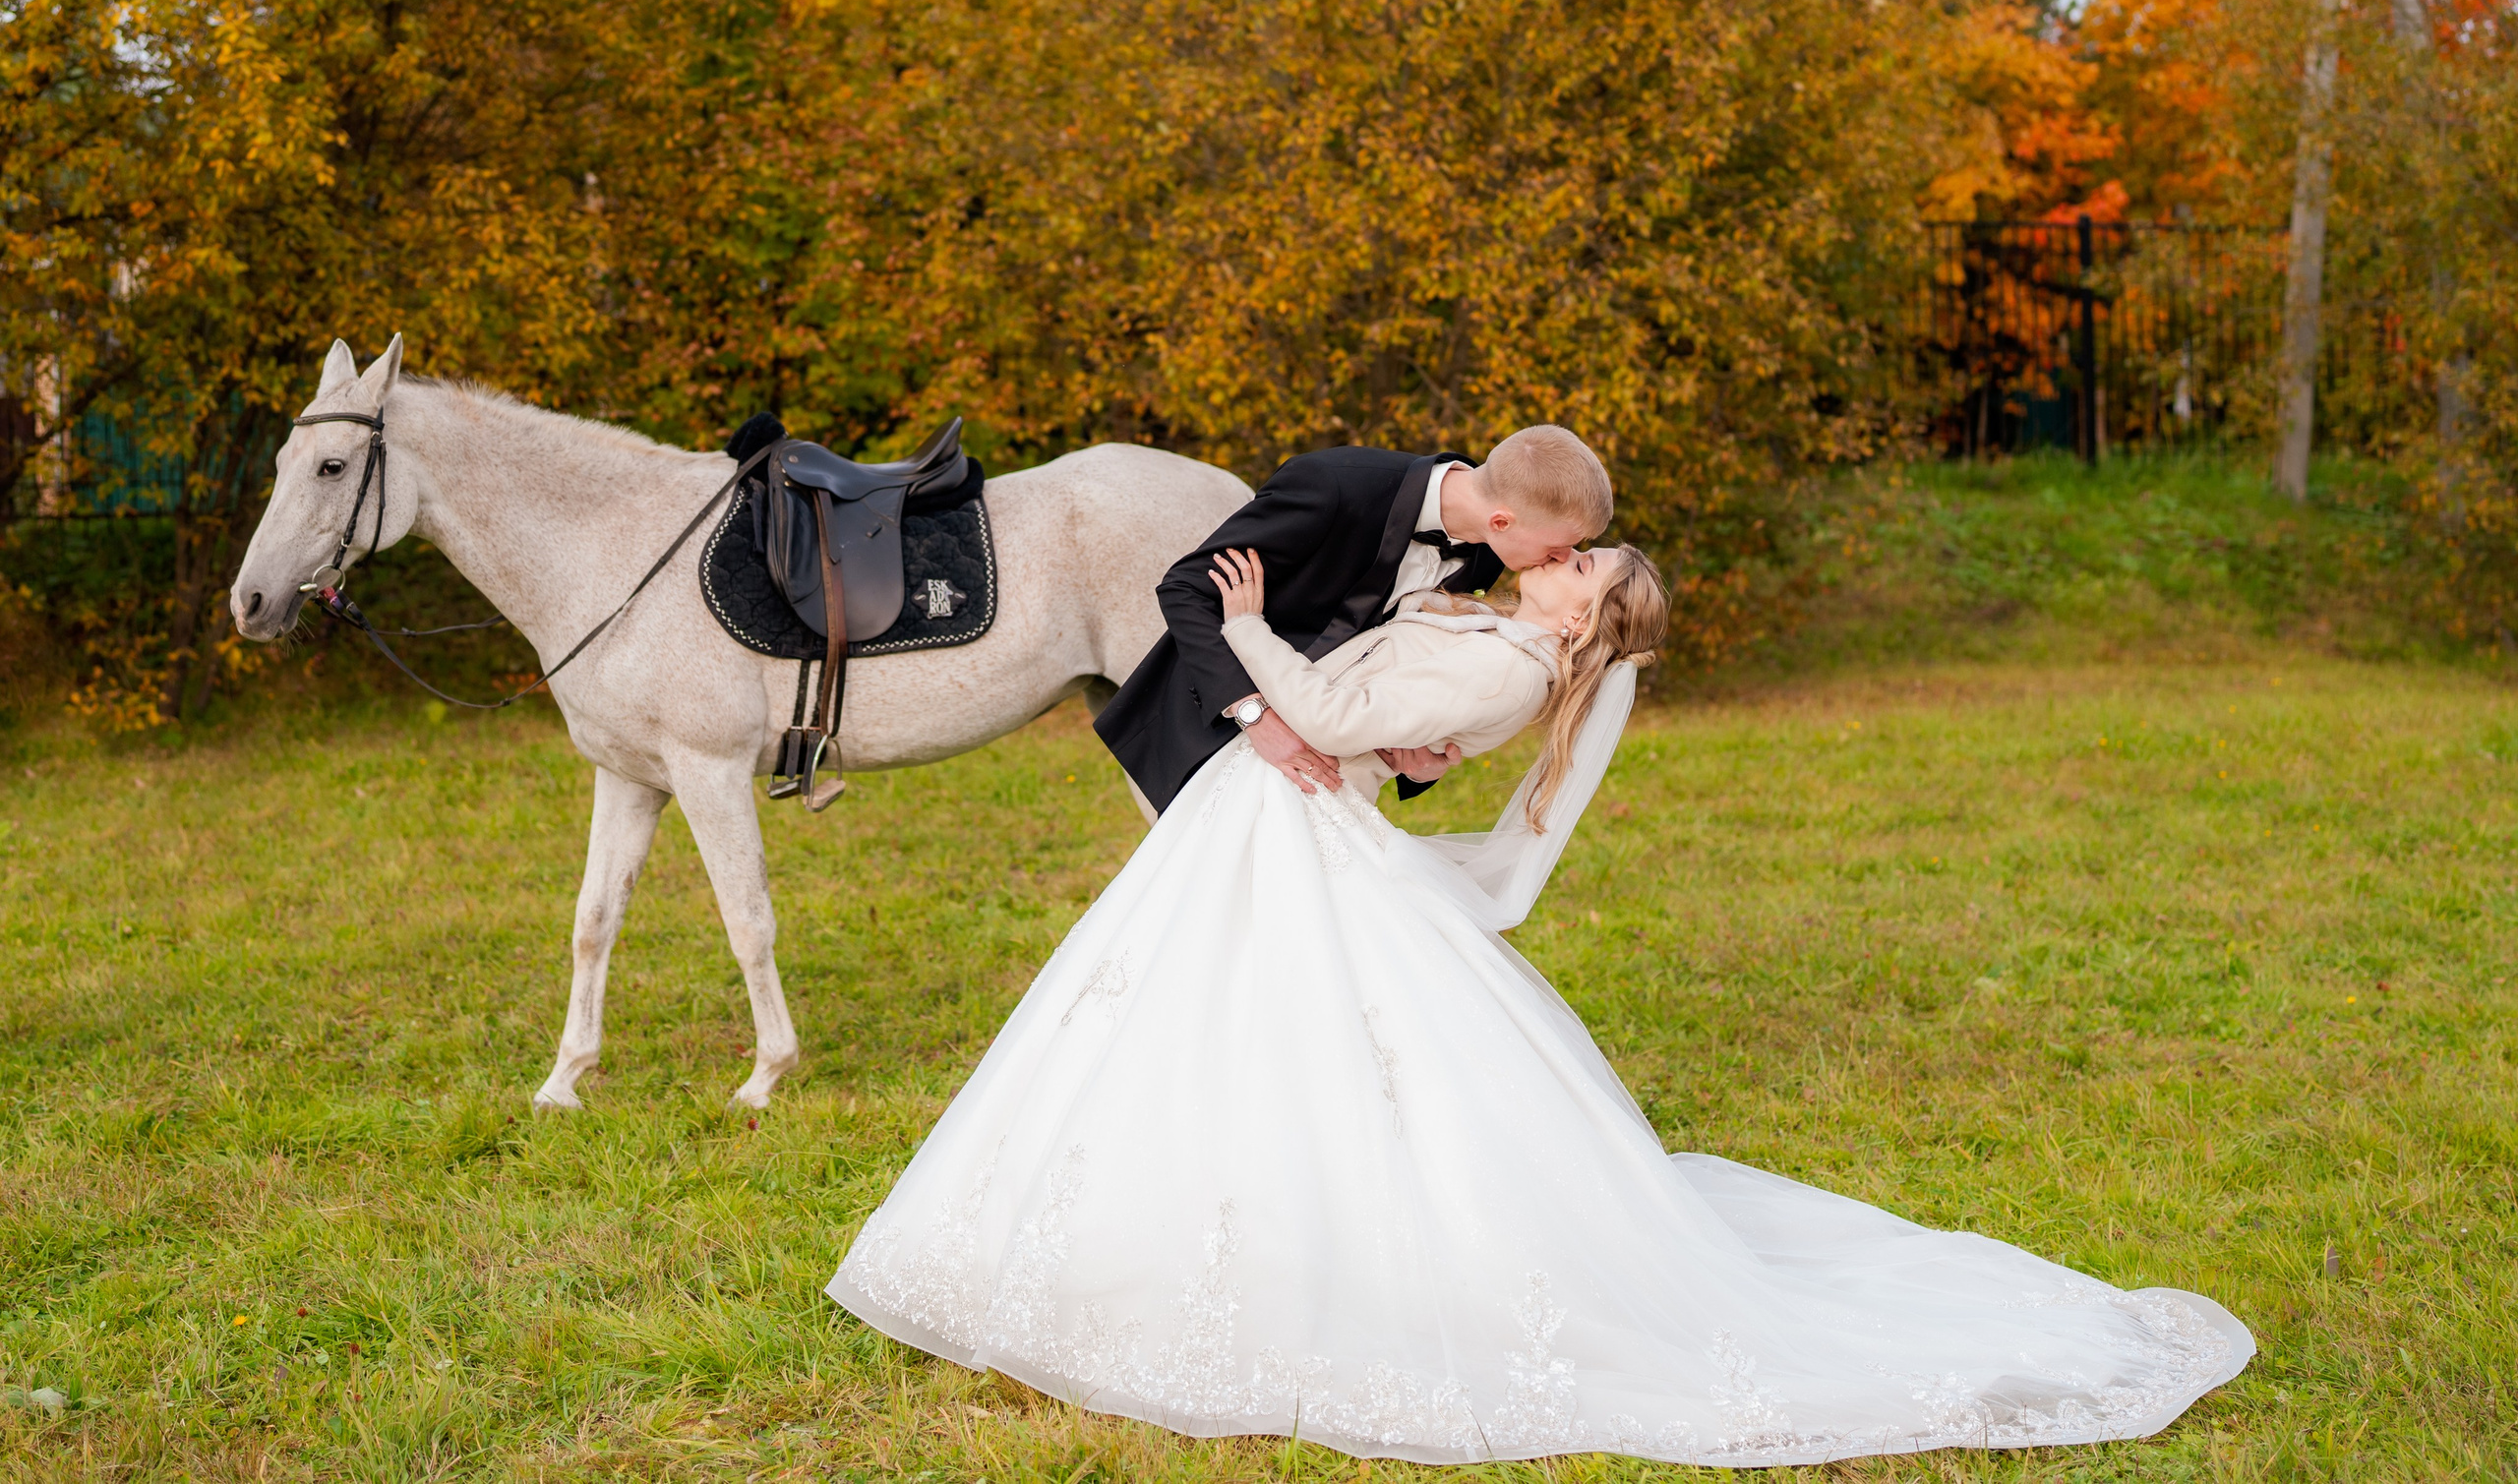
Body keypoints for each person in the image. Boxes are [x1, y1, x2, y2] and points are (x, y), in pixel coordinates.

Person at [831, 542, 2252, 1466]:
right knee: (1207, 1027)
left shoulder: (1512, 657)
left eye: (1582, 562)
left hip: (1290, 815)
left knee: (1256, 1035)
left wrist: (1250, 630)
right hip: (1275, 825)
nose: (1559, 557)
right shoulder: (1498, 639)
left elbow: (1327, 723)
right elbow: (1391, 705)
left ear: (1582, 612)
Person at [1093, 425, 1615, 814]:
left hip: (1324, 778)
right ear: (1502, 520)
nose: (1560, 558)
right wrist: (1256, 718)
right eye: (1559, 546)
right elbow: (1186, 588)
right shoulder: (1334, 485)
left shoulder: (1489, 550)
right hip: (1205, 732)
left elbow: (1414, 676)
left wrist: (1420, 765)